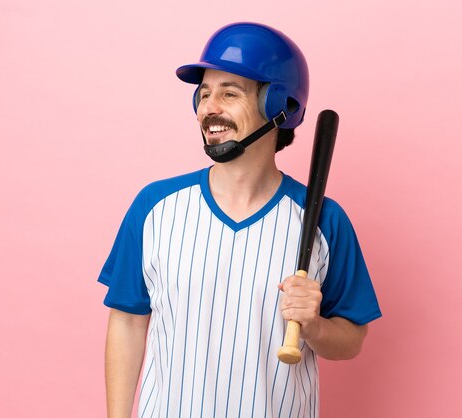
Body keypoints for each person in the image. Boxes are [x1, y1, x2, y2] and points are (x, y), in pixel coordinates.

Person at [98, 22, 381, 418]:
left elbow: (352, 341)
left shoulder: (323, 220)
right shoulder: (154, 206)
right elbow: (127, 323)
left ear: (278, 106)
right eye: (204, 94)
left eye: (229, 93)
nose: (209, 108)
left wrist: (314, 326)